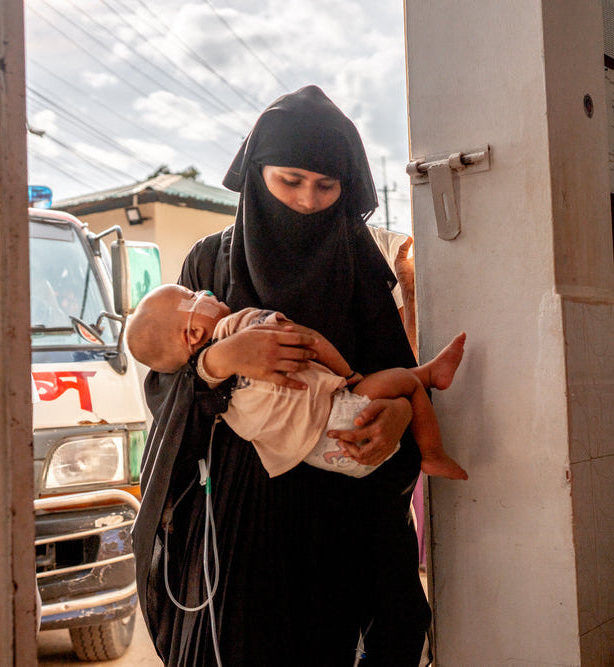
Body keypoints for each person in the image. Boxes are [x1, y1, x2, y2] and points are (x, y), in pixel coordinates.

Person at [131, 85, 434, 666]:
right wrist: (222, 360)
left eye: (326, 186)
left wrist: (397, 414)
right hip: (239, 526)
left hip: (343, 517)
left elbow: (395, 373)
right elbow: (165, 383)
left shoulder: (363, 272)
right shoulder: (209, 263)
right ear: (255, 175)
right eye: (289, 181)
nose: (306, 201)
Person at [127, 283, 468, 480]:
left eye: (326, 185)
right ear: (194, 331)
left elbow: (191, 414)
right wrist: (348, 376)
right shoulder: (240, 324)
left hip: (323, 456)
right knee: (407, 383)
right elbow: (310, 341)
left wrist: (400, 415)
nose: (211, 294)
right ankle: (432, 435)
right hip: (342, 421)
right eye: (199, 294)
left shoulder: (215, 395)